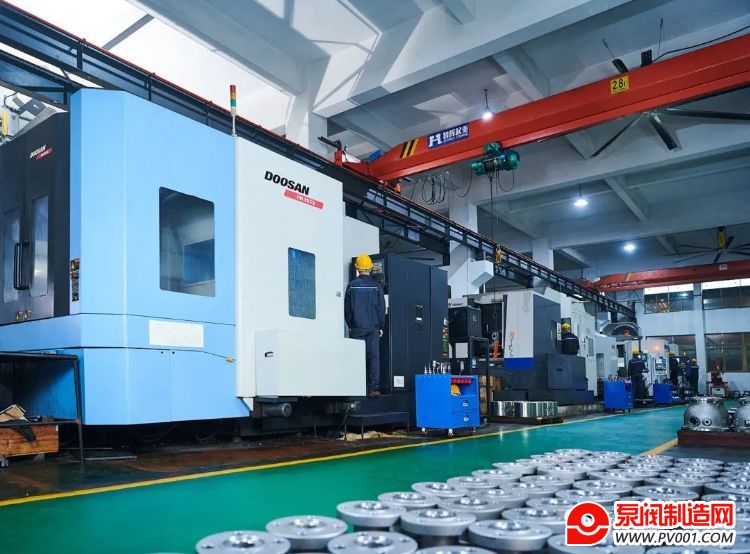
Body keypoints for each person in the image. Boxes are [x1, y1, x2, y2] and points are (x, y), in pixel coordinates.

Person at [345, 253, 386, 398]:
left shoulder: (351, 286)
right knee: (373, 357)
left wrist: (351, 325)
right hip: (372, 328)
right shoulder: (377, 286)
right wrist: (380, 326)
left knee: (356, 357)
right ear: (370, 268)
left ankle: (356, 387)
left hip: (356, 328)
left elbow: (347, 310)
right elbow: (381, 309)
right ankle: (373, 388)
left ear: (357, 268)